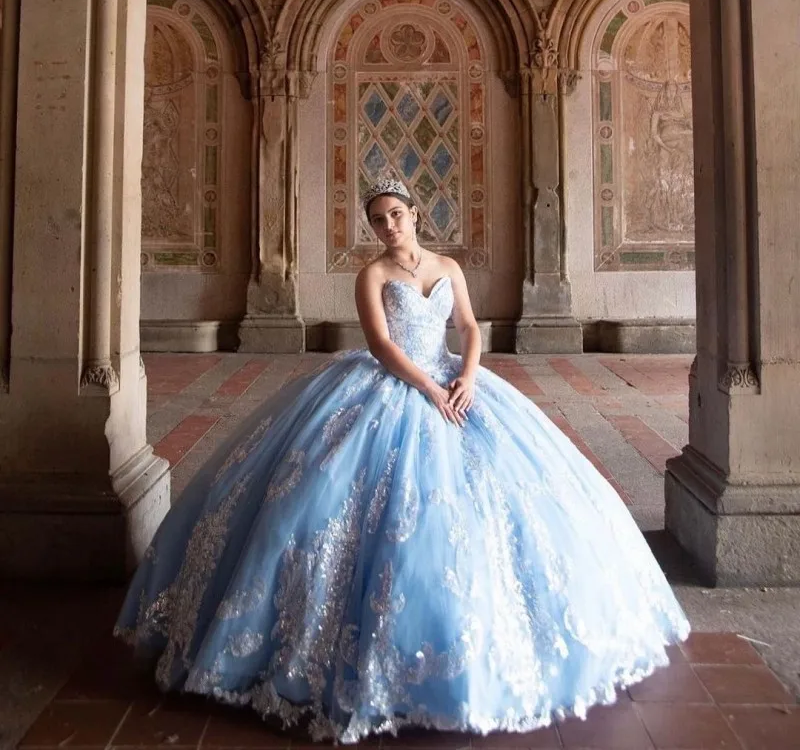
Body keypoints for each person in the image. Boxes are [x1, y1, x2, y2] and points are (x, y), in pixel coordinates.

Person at [115, 177, 690, 744]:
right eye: (377, 220)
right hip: (394, 382)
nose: (388, 226)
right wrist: (429, 390)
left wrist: (464, 377)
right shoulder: (373, 275)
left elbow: (467, 327)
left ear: (415, 213)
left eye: (395, 214)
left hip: (451, 378)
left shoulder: (449, 268)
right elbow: (381, 346)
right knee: (325, 500)